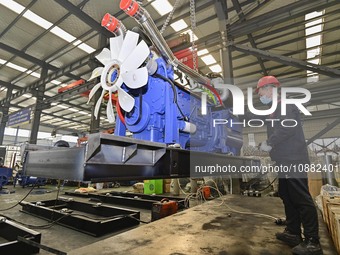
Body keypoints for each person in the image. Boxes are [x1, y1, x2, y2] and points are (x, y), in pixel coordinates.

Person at [256, 76, 323, 255]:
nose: (260, 95)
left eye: (261, 91)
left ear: (270, 89)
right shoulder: (275, 109)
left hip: (294, 159)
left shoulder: (285, 104)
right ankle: (293, 232)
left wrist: (269, 142)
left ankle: (313, 241)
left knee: (301, 196)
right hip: (285, 159)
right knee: (286, 193)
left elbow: (286, 128)